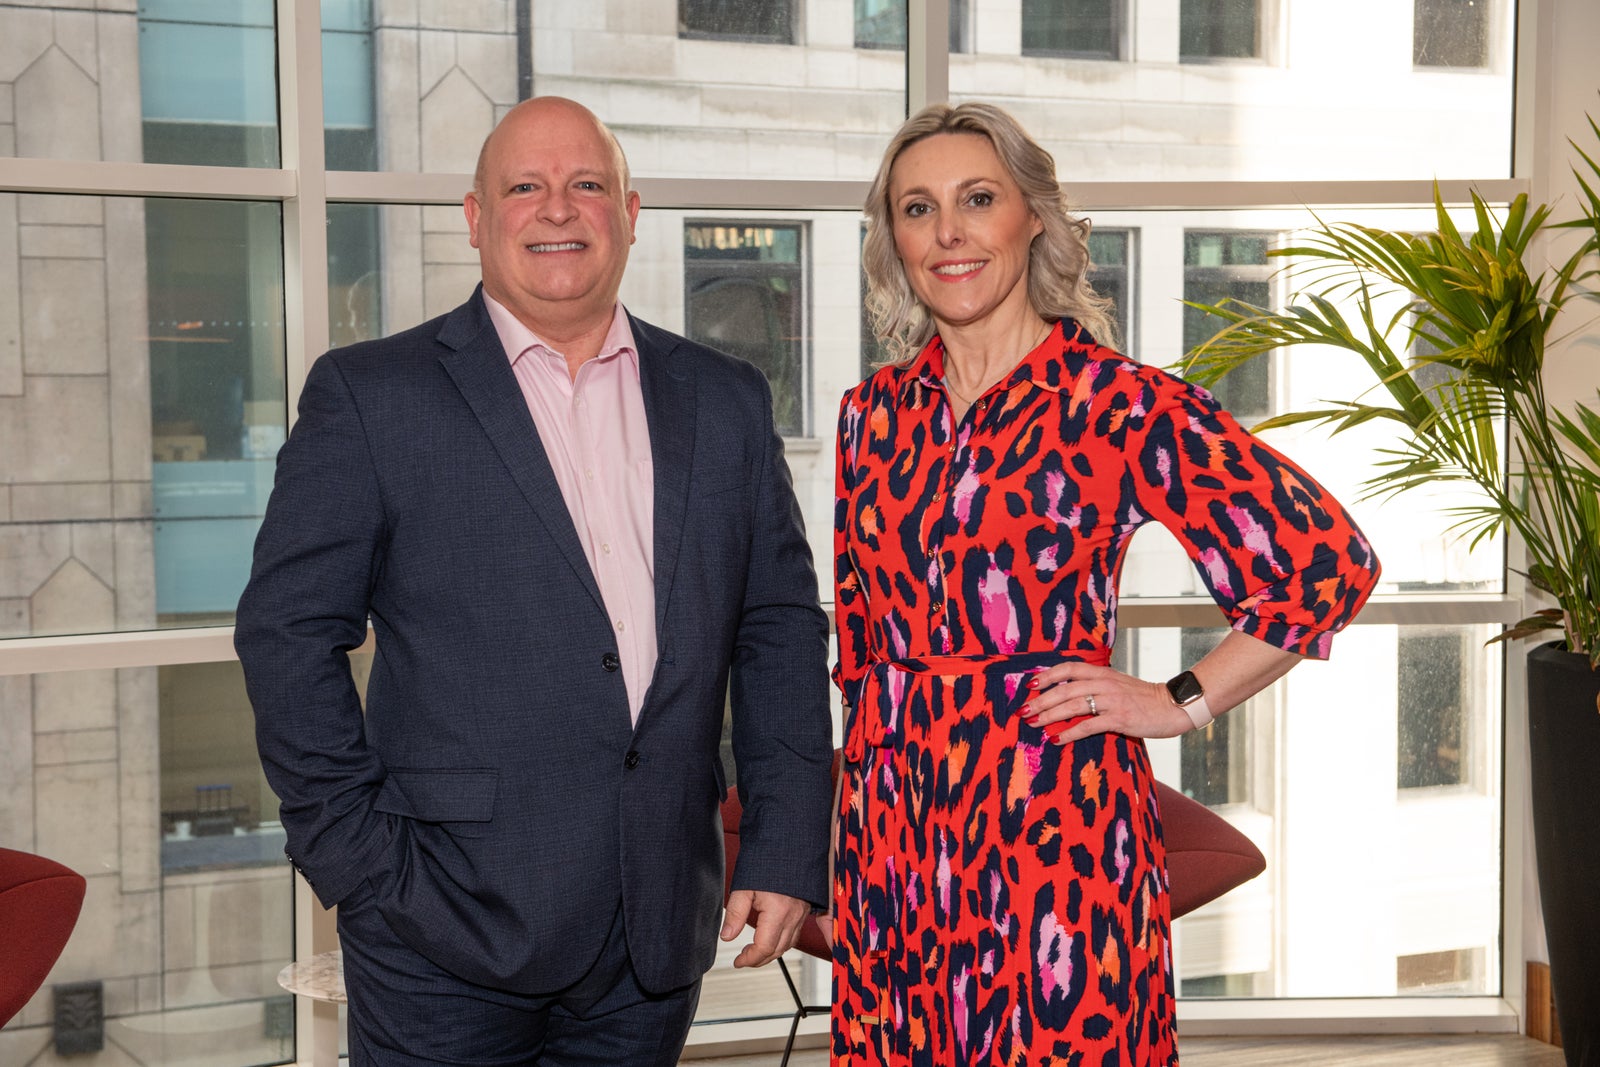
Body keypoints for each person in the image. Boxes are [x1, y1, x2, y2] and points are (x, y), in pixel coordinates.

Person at [235, 96, 834, 1066]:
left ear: (628, 214)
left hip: (653, 928)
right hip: (437, 929)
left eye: (586, 184)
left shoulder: (724, 398)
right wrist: (358, 861)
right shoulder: (373, 394)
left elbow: (777, 630)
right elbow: (285, 634)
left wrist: (784, 843)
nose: (558, 207)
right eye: (525, 186)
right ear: (477, 218)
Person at [829, 102, 1381, 1065]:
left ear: (1032, 218)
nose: (949, 231)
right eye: (918, 208)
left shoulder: (1118, 404)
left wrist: (1178, 699)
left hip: (1055, 837)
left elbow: (1324, 562)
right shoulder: (869, 416)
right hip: (894, 846)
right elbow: (862, 654)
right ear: (895, 240)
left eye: (977, 199)